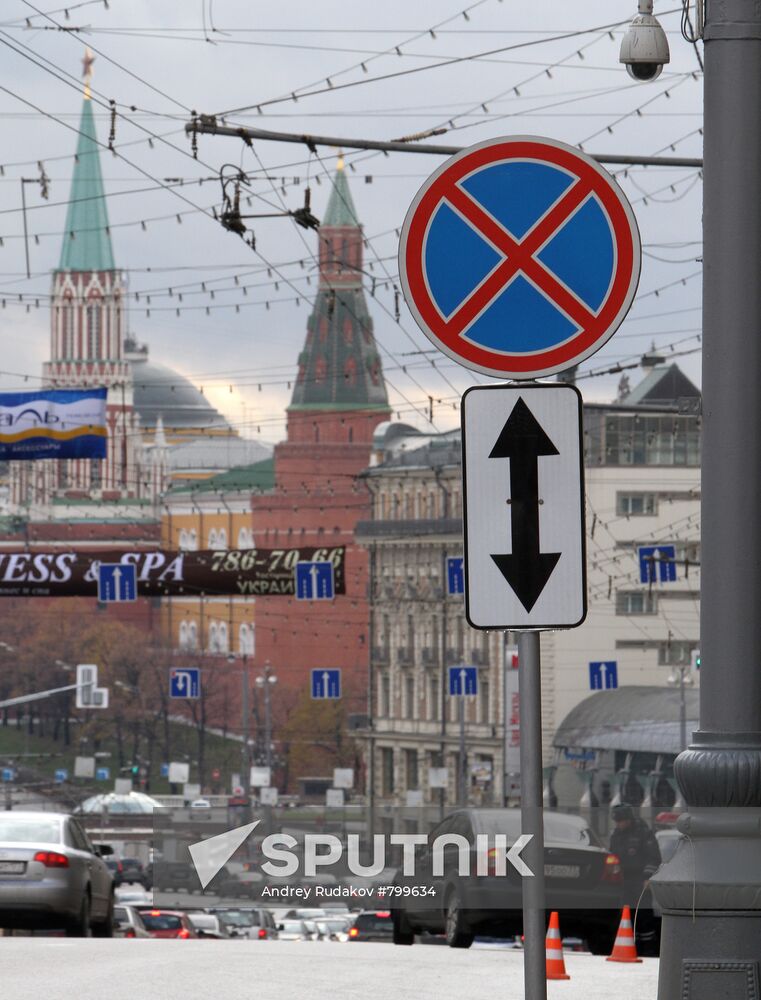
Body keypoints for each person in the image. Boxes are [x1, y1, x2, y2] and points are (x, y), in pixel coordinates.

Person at [609, 803, 662, 907]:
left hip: (641, 879)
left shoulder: (644, 832)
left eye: (620, 821)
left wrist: (647, 878)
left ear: (628, 819)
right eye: (616, 822)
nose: (618, 824)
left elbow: (653, 857)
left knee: (642, 910)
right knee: (625, 910)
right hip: (623, 879)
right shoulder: (616, 834)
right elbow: (613, 854)